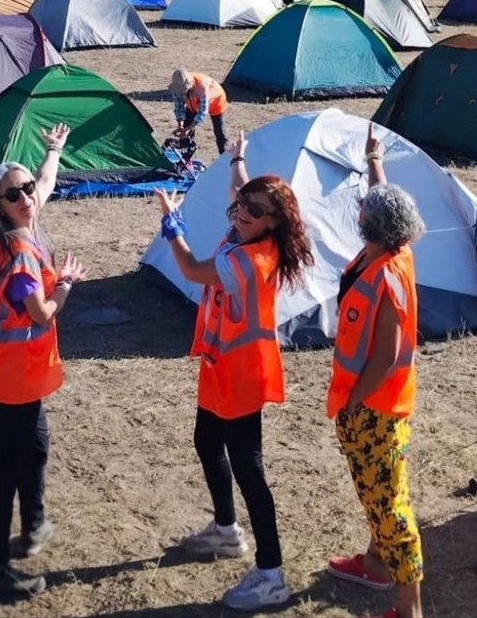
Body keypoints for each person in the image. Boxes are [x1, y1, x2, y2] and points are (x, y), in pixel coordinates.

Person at [153, 131, 313, 612]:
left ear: (274, 223)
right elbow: (240, 188)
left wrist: (172, 226)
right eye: (242, 206)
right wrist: (238, 158)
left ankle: (271, 574)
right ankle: (225, 530)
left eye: (254, 210)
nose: (242, 211)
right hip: (220, 365)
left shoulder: (251, 260)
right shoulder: (248, 228)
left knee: (249, 468)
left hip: (243, 374)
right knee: (206, 441)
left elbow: (191, 269)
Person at [0, 124, 88, 602]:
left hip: (18, 371)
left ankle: (34, 522)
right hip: (13, 375)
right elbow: (40, 312)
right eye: (12, 194)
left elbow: (45, 183)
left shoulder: (21, 225)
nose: (25, 196)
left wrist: (53, 150)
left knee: (35, 445)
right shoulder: (18, 253)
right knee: (6, 468)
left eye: (25, 189)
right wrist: (65, 285)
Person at [325, 124, 425, 618]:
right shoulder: (396, 246)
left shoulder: (385, 274)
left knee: (391, 508)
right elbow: (383, 200)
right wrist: (373, 161)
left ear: (372, 227)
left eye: (364, 210)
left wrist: (351, 402)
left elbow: (384, 358)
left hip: (374, 407)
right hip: (385, 401)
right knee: (377, 490)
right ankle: (375, 564)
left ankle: (409, 610)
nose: (359, 210)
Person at [171, 68, 229, 154]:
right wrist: (181, 126)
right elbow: (179, 107)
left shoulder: (201, 88)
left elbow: (202, 113)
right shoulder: (177, 87)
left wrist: (188, 129)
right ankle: (185, 153)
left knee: (219, 132)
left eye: (184, 91)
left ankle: (225, 156)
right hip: (194, 104)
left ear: (190, 86)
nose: (182, 94)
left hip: (217, 101)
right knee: (186, 126)